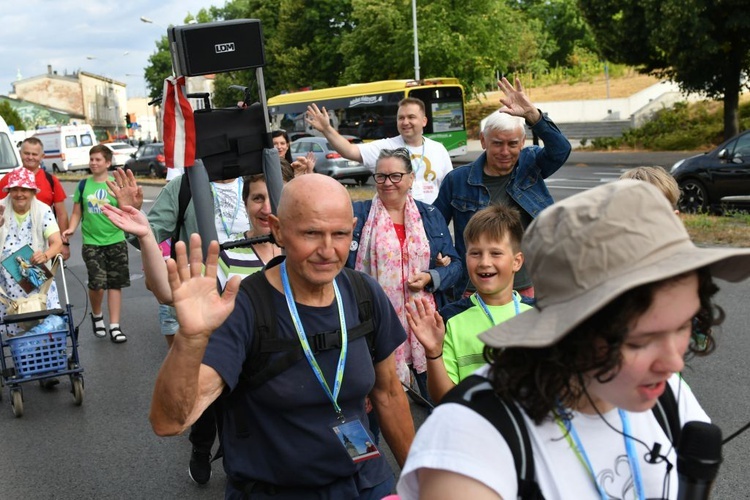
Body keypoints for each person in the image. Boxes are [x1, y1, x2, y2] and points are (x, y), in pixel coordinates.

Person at [397, 180, 750, 499]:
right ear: (566, 331)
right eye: (641, 341)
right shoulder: (474, 434)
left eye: (685, 325)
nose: (674, 363)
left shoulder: (665, 393)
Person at [150, 174, 415, 499]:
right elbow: (169, 422)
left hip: (365, 480)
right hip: (278, 490)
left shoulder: (363, 292)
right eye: (311, 234)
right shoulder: (244, 307)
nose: (328, 250)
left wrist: (422, 484)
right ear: (277, 229)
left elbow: (388, 393)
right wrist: (190, 340)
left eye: (341, 234)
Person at [108, 166, 250, 485]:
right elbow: (148, 233)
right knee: (209, 386)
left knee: (251, 386)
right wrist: (132, 213)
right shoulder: (185, 185)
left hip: (255, 300)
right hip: (205, 304)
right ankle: (202, 448)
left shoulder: (259, 180)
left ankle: (243, 458)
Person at [434, 77, 572, 299]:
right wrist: (443, 255)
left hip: (526, 285)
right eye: (497, 143)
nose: (505, 151)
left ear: (523, 142)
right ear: (483, 141)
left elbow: (560, 150)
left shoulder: (531, 165)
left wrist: (533, 116)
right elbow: (435, 225)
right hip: (474, 288)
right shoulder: (456, 180)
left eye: (512, 144)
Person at [348, 147, 462, 397]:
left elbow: (456, 265)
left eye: (396, 176)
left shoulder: (430, 216)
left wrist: (432, 276)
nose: (388, 182)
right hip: (375, 324)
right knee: (380, 400)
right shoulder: (358, 214)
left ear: (411, 178)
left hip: (422, 323)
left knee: (438, 401)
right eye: (381, 176)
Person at [406, 205, 532, 404]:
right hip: (473, 428)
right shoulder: (449, 318)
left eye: (495, 253)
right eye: (475, 253)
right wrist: (433, 353)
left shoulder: (539, 315)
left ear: (517, 261)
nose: (484, 262)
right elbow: (443, 398)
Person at [306, 97, 453, 204]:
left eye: (411, 117)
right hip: (395, 228)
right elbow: (349, 151)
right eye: (401, 118)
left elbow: (450, 190)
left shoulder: (438, 149)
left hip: (432, 225)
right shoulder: (385, 147)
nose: (405, 122)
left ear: (424, 121)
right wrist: (327, 129)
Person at [63, 145, 129, 343]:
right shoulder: (83, 185)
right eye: (91, 159)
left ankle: (115, 326)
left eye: (98, 159)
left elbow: (126, 209)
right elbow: (77, 212)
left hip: (116, 240)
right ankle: (97, 314)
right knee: (98, 283)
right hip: (92, 242)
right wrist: (71, 228)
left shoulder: (115, 185)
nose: (93, 162)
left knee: (115, 284)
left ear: (108, 162)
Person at [0, 167, 63, 338]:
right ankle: (20, 357)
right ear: (9, 191)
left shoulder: (43, 210)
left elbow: (57, 242)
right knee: (14, 325)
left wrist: (45, 255)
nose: (19, 194)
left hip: (36, 275)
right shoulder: (1, 208)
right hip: (6, 281)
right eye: (15, 189)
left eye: (24, 189)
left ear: (32, 191)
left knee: (45, 324)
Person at [0, 137, 70, 260]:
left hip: (43, 245)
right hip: (7, 253)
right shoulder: (7, 180)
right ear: (20, 154)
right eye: (27, 153)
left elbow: (61, 213)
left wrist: (64, 244)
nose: (30, 157)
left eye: (34, 154)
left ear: (42, 156)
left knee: (40, 276)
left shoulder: (51, 181)